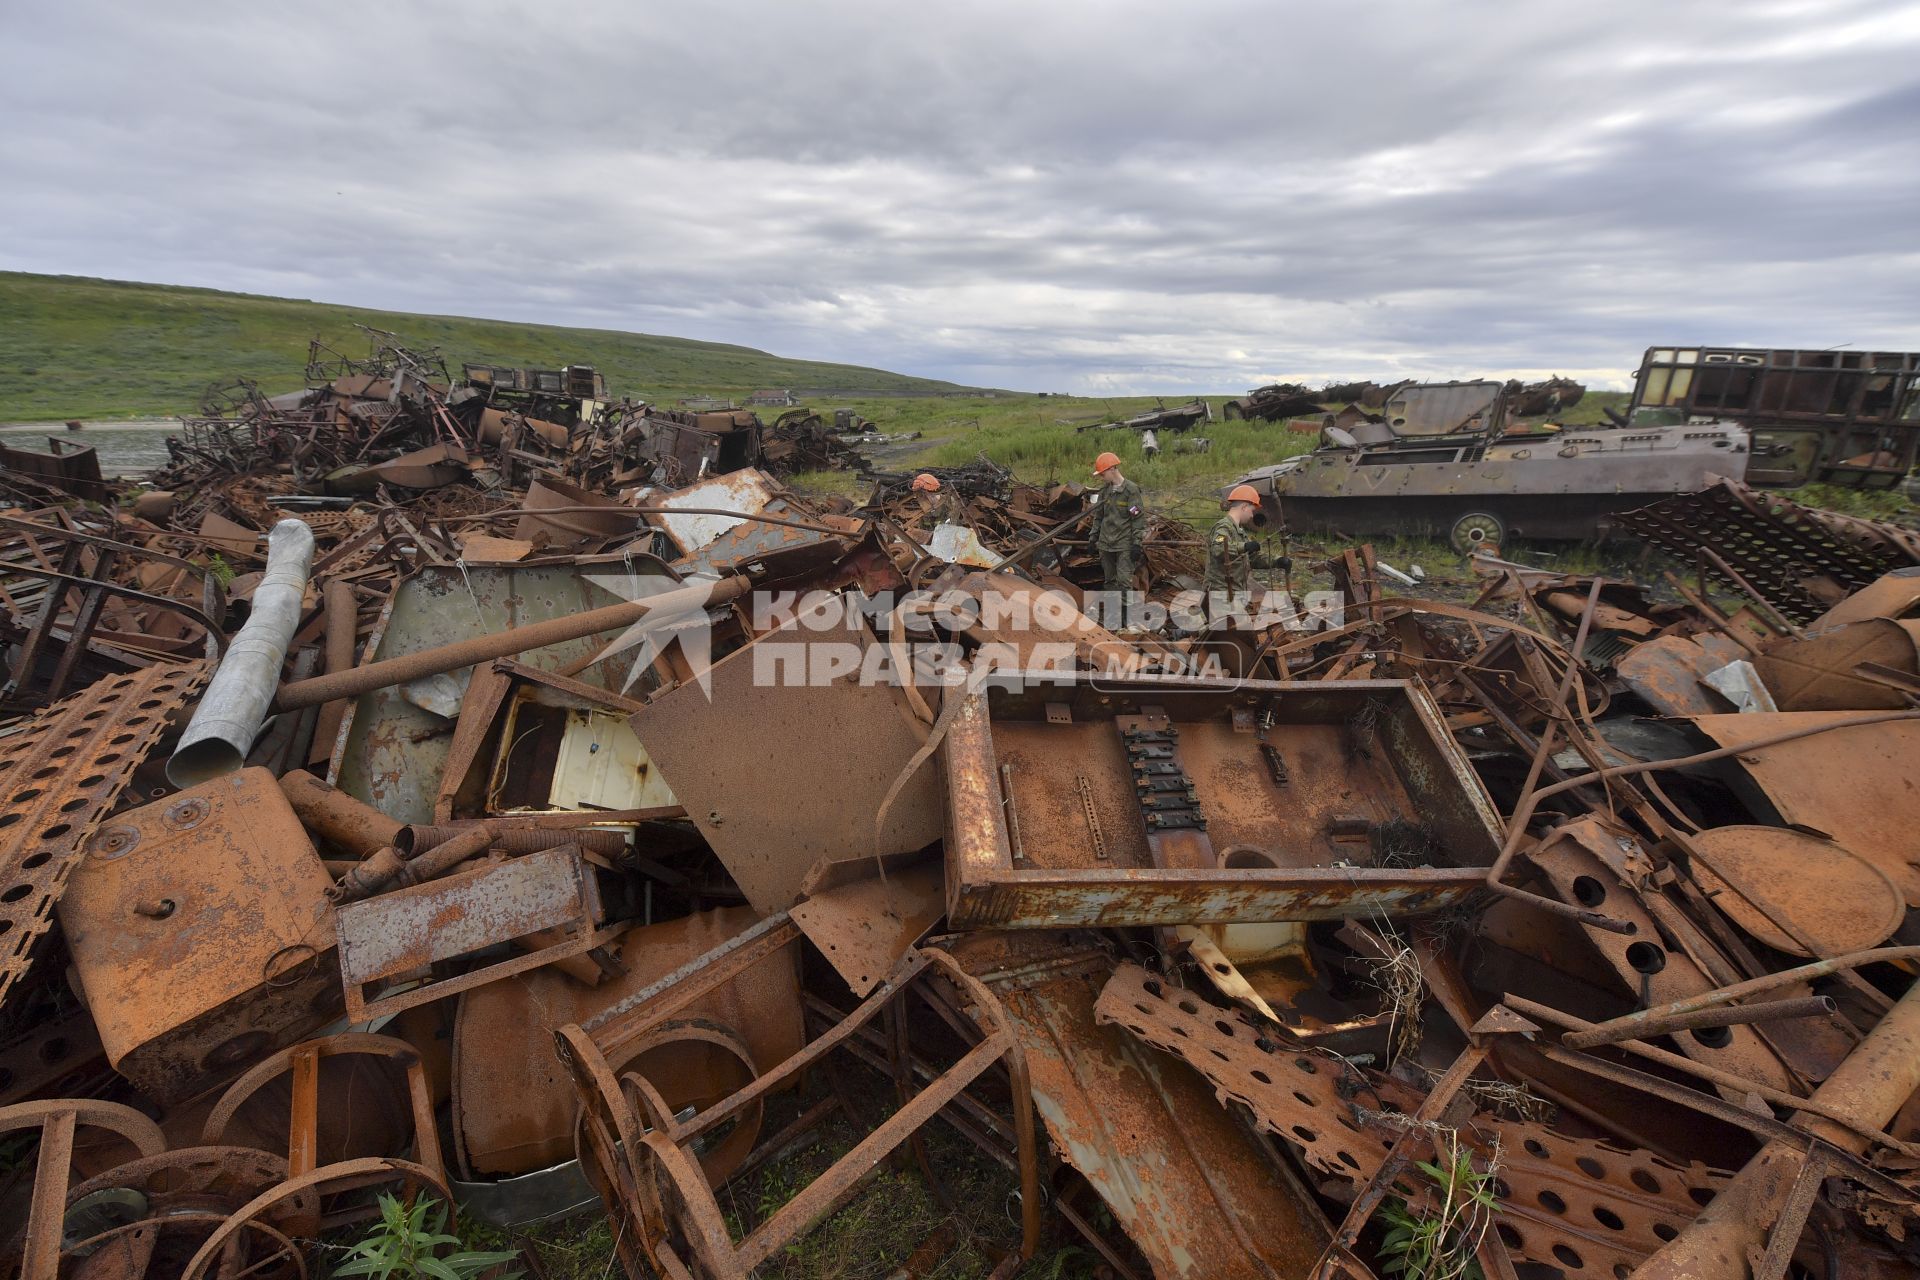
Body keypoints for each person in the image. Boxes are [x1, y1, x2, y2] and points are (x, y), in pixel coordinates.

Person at [1206, 484, 1290, 621]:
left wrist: (1278, 561)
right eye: (1251, 510)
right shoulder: (1223, 527)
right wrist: (1244, 546)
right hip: (1221, 595)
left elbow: (1252, 558)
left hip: (1234, 594)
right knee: (1228, 633)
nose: (1252, 515)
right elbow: (1218, 548)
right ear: (1244, 507)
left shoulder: (1239, 532)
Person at [1090, 451, 1145, 619]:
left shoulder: (1131, 491)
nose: (1101, 477)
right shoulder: (1104, 491)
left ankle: (1127, 617)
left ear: (1113, 469)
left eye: (1103, 473)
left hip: (1123, 544)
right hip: (1105, 543)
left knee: (1124, 582)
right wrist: (1093, 538)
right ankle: (1112, 615)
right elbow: (1098, 516)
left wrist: (1137, 543)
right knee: (1109, 581)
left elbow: (1137, 518)